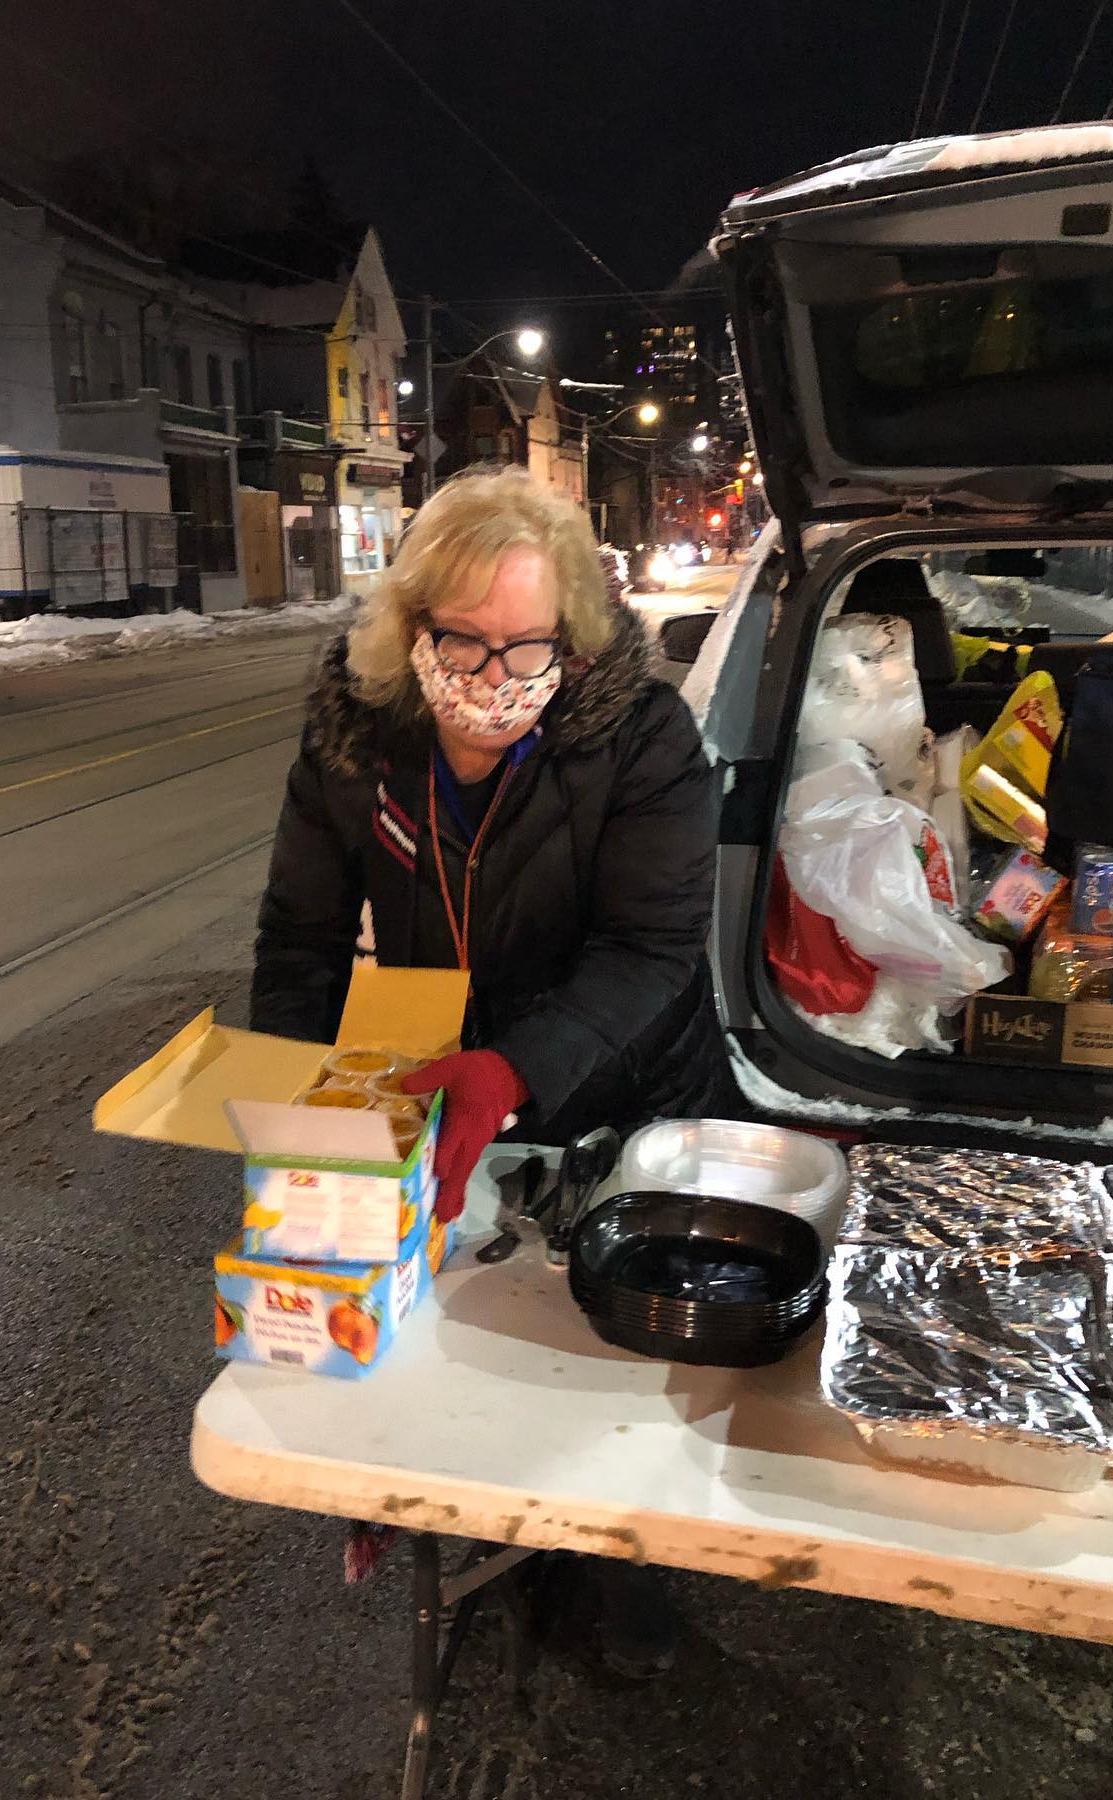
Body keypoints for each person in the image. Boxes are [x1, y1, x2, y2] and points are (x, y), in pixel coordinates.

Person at [251, 465, 734, 1673]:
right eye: (462, 640)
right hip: (440, 1084)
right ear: (410, 625)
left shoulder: (642, 737)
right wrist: (298, 1124)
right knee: (446, 1363)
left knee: (610, 1365)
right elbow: (300, 940)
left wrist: (517, 1069)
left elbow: (654, 947)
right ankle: (462, 1523)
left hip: (623, 1081)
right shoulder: (357, 738)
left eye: (526, 645)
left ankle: (612, 1555)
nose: (491, 676)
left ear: (570, 638)